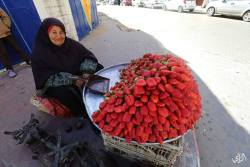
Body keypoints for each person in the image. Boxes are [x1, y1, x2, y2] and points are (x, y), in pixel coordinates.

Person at [31, 18, 103, 117]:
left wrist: (86, 71)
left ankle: (103, 97)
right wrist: (74, 79)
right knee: (63, 91)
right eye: (54, 32)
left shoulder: (71, 44)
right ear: (46, 34)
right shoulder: (39, 53)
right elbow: (47, 79)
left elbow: (88, 56)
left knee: (98, 67)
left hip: (77, 73)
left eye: (61, 32)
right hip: (55, 82)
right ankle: (83, 112)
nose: (59, 36)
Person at [0, 7, 30, 78]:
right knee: (3, 53)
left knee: (16, 47)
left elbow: (5, 16)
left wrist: (6, 26)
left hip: (5, 32)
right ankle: (9, 69)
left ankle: (28, 60)